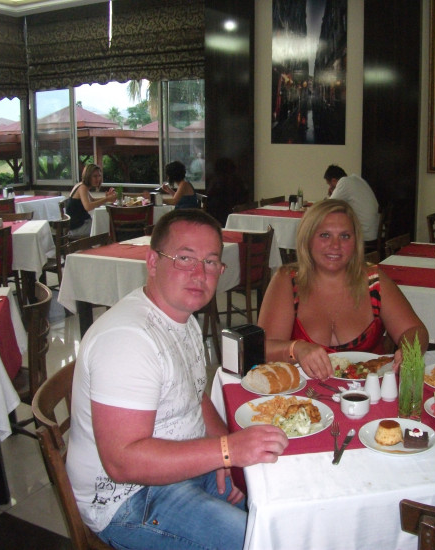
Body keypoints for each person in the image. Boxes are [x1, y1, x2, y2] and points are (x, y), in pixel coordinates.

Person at [66, 209, 289, 549]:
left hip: (184, 466)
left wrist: (227, 454)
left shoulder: (183, 319)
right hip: (129, 500)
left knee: (283, 507)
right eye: (185, 258)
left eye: (210, 262)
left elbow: (195, 395)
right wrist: (227, 451)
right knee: (264, 542)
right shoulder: (127, 339)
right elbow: (122, 462)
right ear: (152, 262)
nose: (200, 274)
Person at [257, 199, 429, 380]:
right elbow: (263, 348)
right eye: (325, 235)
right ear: (307, 239)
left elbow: (415, 330)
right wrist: (296, 349)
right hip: (304, 393)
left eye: (345, 236)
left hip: (369, 392)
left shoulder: (374, 281)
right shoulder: (287, 280)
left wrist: (409, 350)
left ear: (356, 242)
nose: (335, 245)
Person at [323, 164, 380, 242]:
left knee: (331, 234)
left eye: (329, 184)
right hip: (374, 231)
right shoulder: (357, 179)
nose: (330, 187)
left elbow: (328, 206)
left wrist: (330, 194)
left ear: (333, 181)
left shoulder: (344, 182)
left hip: (364, 234)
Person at [66, 163, 117, 238]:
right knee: (108, 227)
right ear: (88, 176)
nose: (98, 179)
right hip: (77, 228)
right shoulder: (82, 187)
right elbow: (88, 207)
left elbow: (92, 200)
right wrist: (106, 199)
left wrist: (107, 198)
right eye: (95, 176)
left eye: (99, 176)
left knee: (105, 224)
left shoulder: (81, 185)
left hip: (80, 224)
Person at [204, 157, 248, 226]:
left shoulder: (216, 180)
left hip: (217, 214)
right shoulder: (237, 180)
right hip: (235, 215)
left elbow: (209, 195)